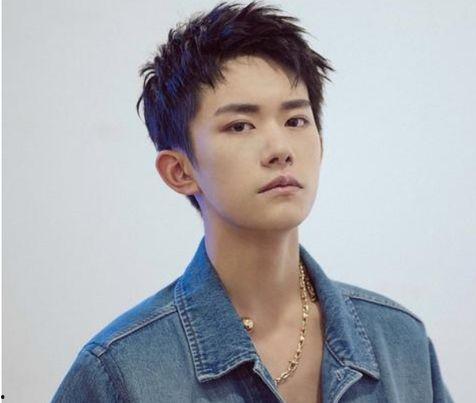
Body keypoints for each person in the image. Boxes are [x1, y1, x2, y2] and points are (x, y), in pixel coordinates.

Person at [52, 1, 454, 402]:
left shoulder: (400, 342)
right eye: (240, 126)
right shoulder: (121, 372)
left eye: (295, 121)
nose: (280, 149)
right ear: (179, 171)